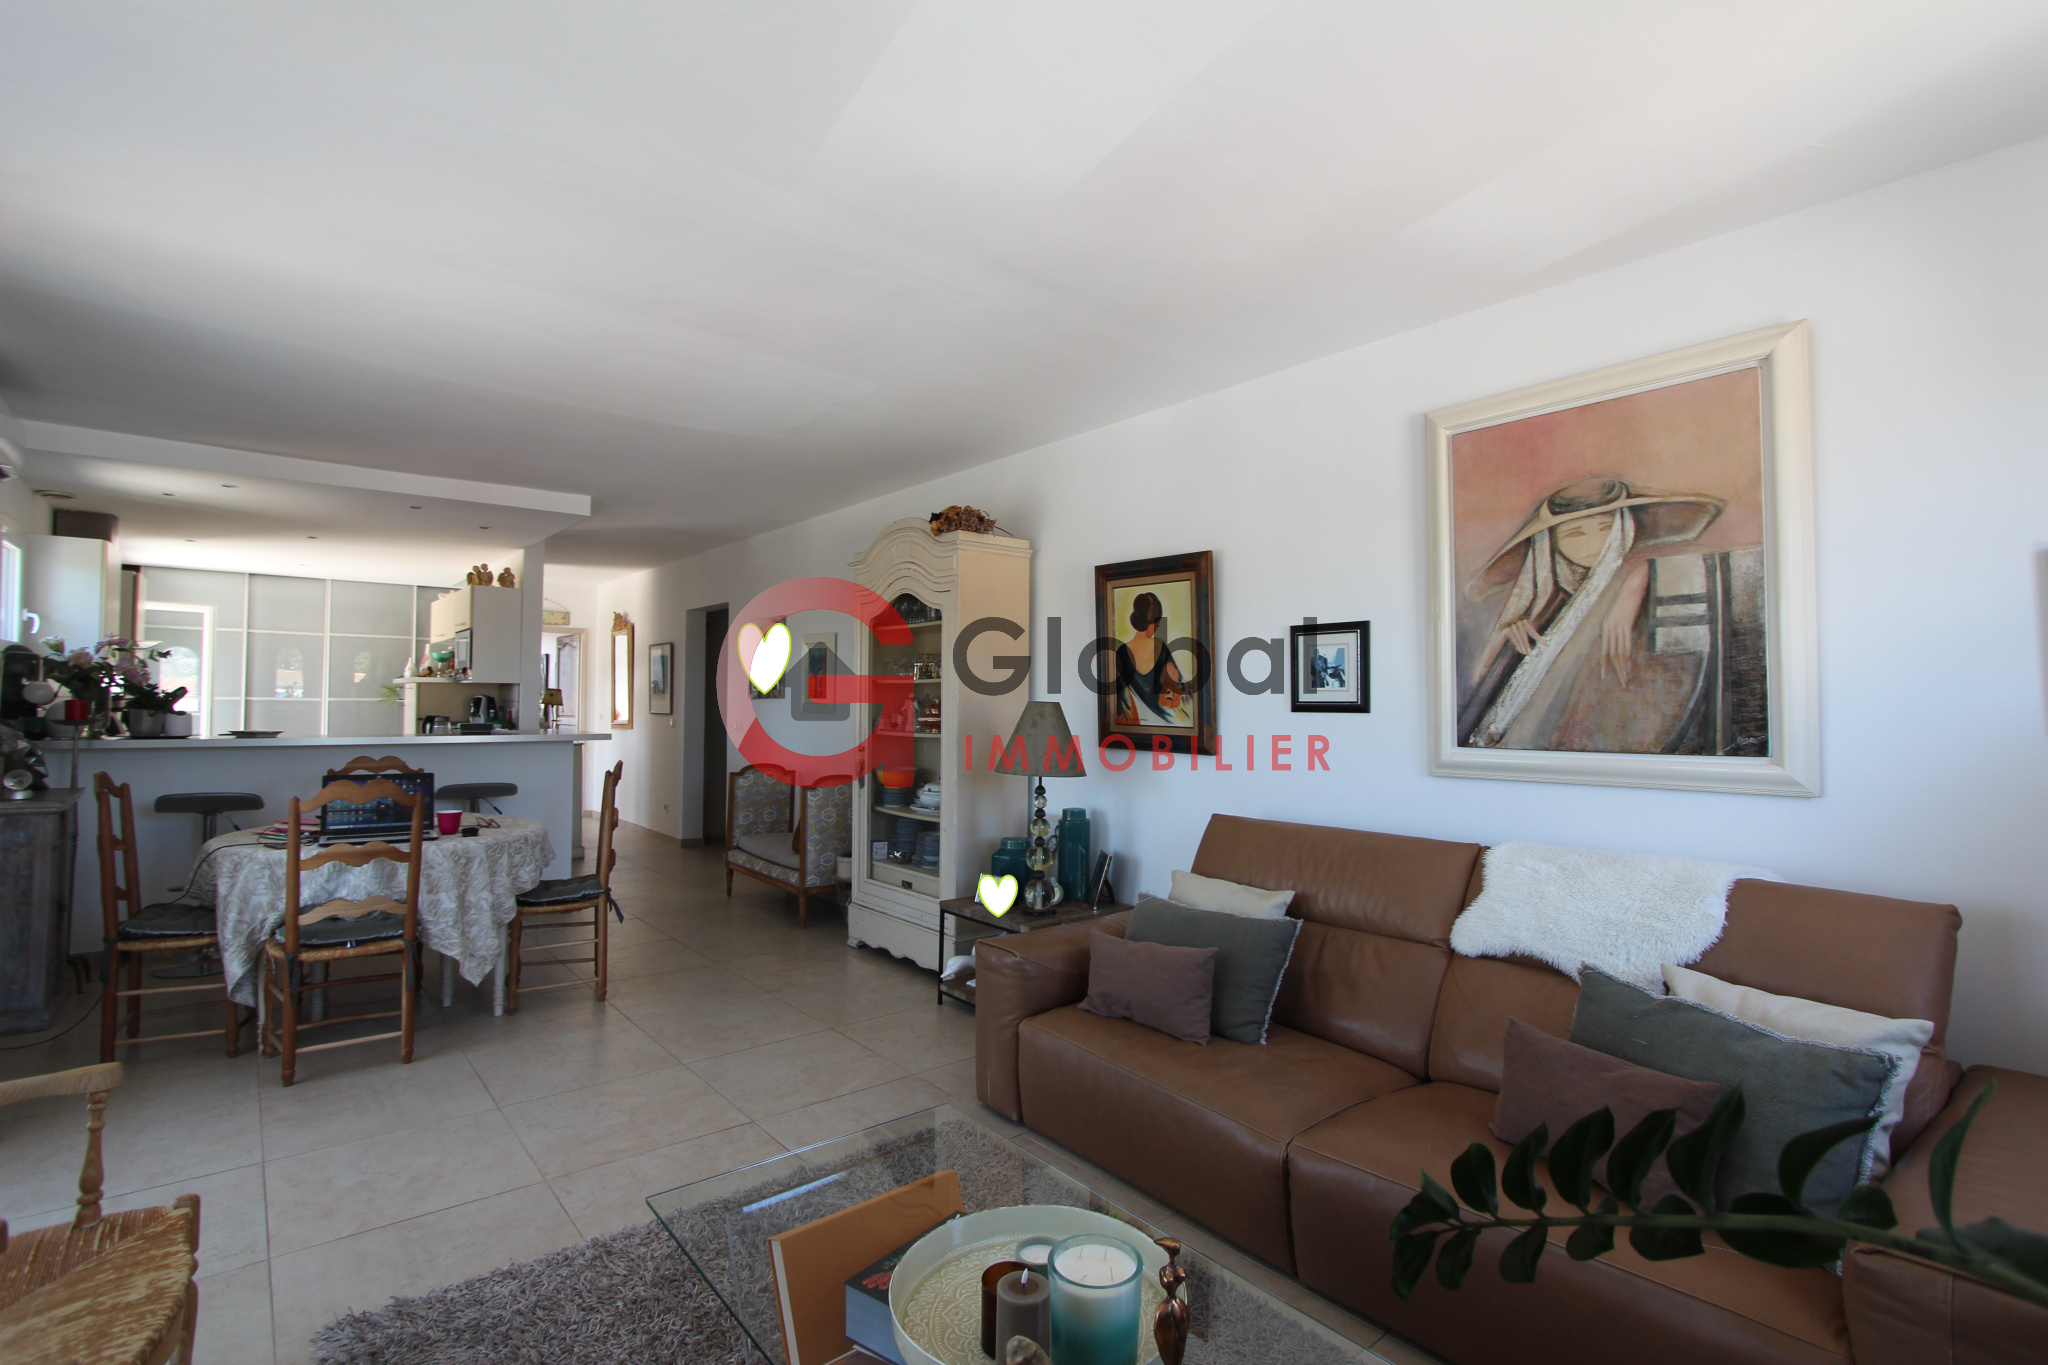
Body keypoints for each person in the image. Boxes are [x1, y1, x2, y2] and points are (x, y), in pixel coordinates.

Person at [1462, 477, 1725, 751]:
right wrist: (1503, 637)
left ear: (1623, 529)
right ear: (1550, 542)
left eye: (1606, 528)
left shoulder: (1639, 581)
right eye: (1575, 534)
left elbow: (1716, 565)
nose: (1594, 543)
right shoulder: (1549, 606)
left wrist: (1638, 577)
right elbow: (1479, 687)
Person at [1113, 592, 1192, 727]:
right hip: (1165, 723)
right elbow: (1182, 693)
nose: (1157, 628)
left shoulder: (1121, 652)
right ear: (1152, 622)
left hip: (1132, 726)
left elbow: (1119, 700)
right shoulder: (1159, 646)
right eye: (1157, 624)